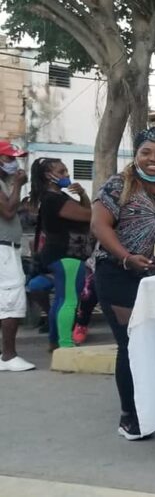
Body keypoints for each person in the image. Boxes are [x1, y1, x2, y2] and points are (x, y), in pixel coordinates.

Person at [91, 128, 155, 439]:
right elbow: (99, 225)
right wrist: (126, 256)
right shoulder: (118, 185)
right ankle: (130, 415)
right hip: (119, 275)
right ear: (136, 154)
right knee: (131, 344)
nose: (154, 159)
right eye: (147, 152)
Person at [28, 158, 92, 349]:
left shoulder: (56, 198)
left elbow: (85, 210)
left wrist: (82, 194)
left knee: (62, 299)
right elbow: (89, 215)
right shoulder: (54, 199)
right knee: (70, 300)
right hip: (66, 254)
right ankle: (66, 344)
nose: (67, 175)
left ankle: (56, 341)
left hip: (61, 255)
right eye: (62, 171)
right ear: (49, 176)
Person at [0, 140, 33, 372]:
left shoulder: (4, 182)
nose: (14, 162)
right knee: (12, 298)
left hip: (6, 246)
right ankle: (9, 356)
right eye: (9, 158)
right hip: (3, 249)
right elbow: (8, 211)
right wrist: (19, 185)